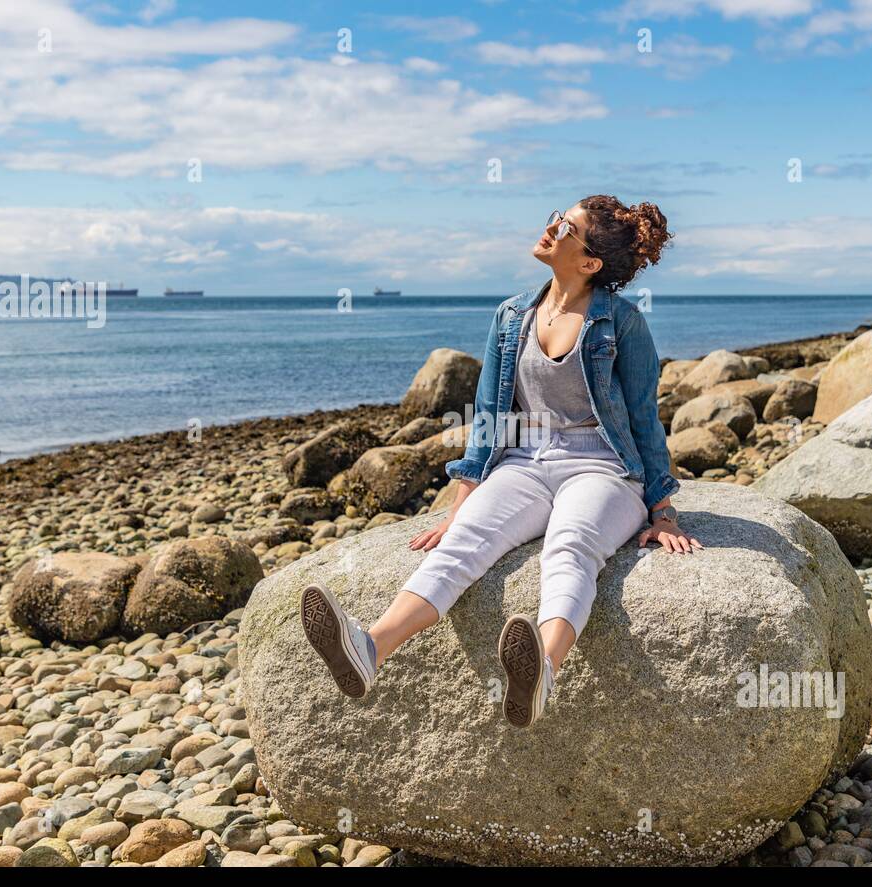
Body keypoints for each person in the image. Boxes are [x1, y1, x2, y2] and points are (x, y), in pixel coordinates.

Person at [300, 196, 701, 728]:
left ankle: (544, 671)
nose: (550, 228)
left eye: (567, 227)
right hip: (523, 461)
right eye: (559, 217)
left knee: (571, 546)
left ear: (589, 263)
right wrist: (458, 507)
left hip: (602, 467)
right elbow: (489, 414)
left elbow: (645, 418)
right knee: (463, 544)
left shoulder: (622, 323)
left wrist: (663, 511)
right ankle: (368, 649)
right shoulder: (512, 315)